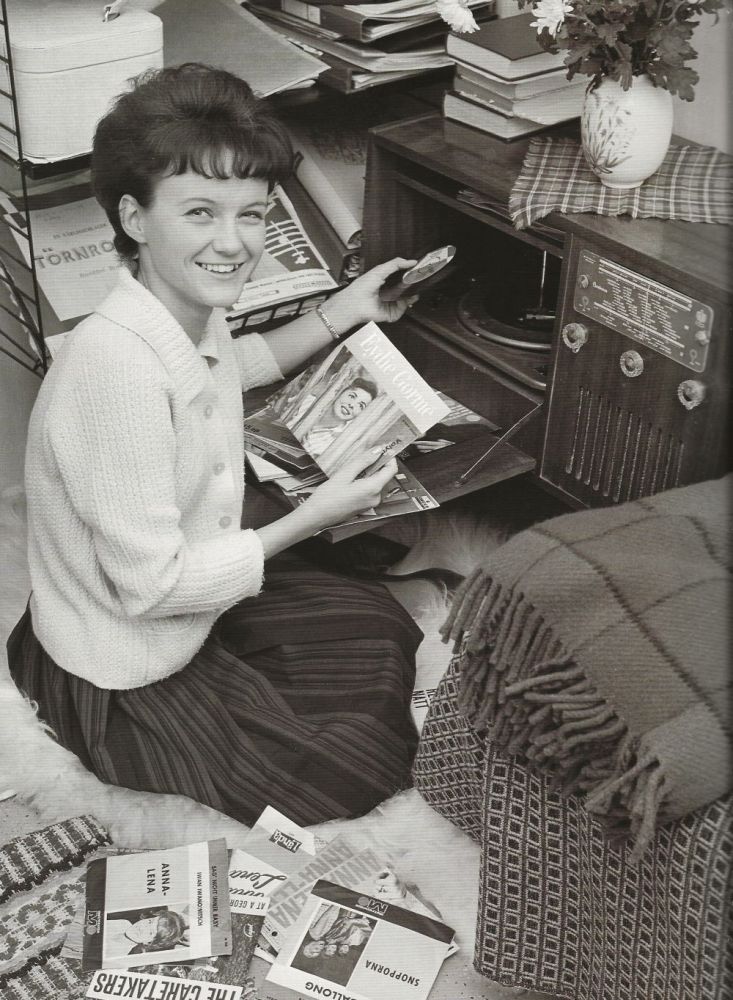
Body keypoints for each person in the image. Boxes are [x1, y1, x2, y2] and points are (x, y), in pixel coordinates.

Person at [6, 64, 423, 827]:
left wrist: (345, 310)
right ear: (134, 218)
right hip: (123, 660)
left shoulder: (178, 307)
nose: (232, 244)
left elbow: (234, 367)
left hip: (179, 599)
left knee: (380, 624)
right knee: (349, 767)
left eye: (251, 215)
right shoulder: (116, 373)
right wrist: (312, 515)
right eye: (200, 212)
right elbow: (151, 591)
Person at [301, 377, 378, 457]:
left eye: (360, 405)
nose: (352, 405)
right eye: (352, 396)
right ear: (340, 392)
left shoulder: (337, 442)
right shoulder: (307, 402)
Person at [105, 908, 188, 957]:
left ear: (149, 943)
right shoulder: (124, 922)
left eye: (150, 932)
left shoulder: (119, 956)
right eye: (149, 922)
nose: (142, 927)